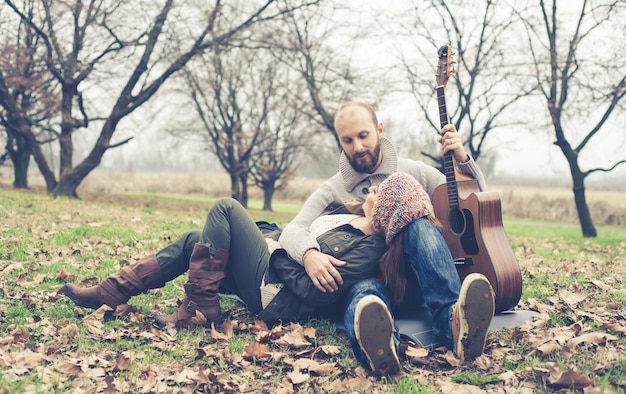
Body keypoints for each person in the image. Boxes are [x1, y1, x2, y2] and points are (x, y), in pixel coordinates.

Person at [61, 174, 439, 331]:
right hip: (270, 269)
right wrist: (283, 244)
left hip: (276, 295)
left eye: (378, 193)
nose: (369, 193)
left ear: (387, 209)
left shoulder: (371, 252)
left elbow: (311, 291)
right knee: (196, 237)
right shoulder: (345, 213)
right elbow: (296, 231)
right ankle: (113, 291)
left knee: (225, 206)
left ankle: (200, 306)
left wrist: (276, 253)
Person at [277, 102, 493, 374]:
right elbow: (293, 229)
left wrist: (462, 159)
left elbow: (472, 201)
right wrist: (309, 255)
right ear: (340, 142)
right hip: (366, 279)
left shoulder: (413, 172)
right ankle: (381, 349)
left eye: (363, 135)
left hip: (417, 282)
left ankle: (453, 325)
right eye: (348, 140)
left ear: (379, 130)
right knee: (365, 297)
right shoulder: (333, 188)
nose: (357, 146)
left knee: (417, 225)